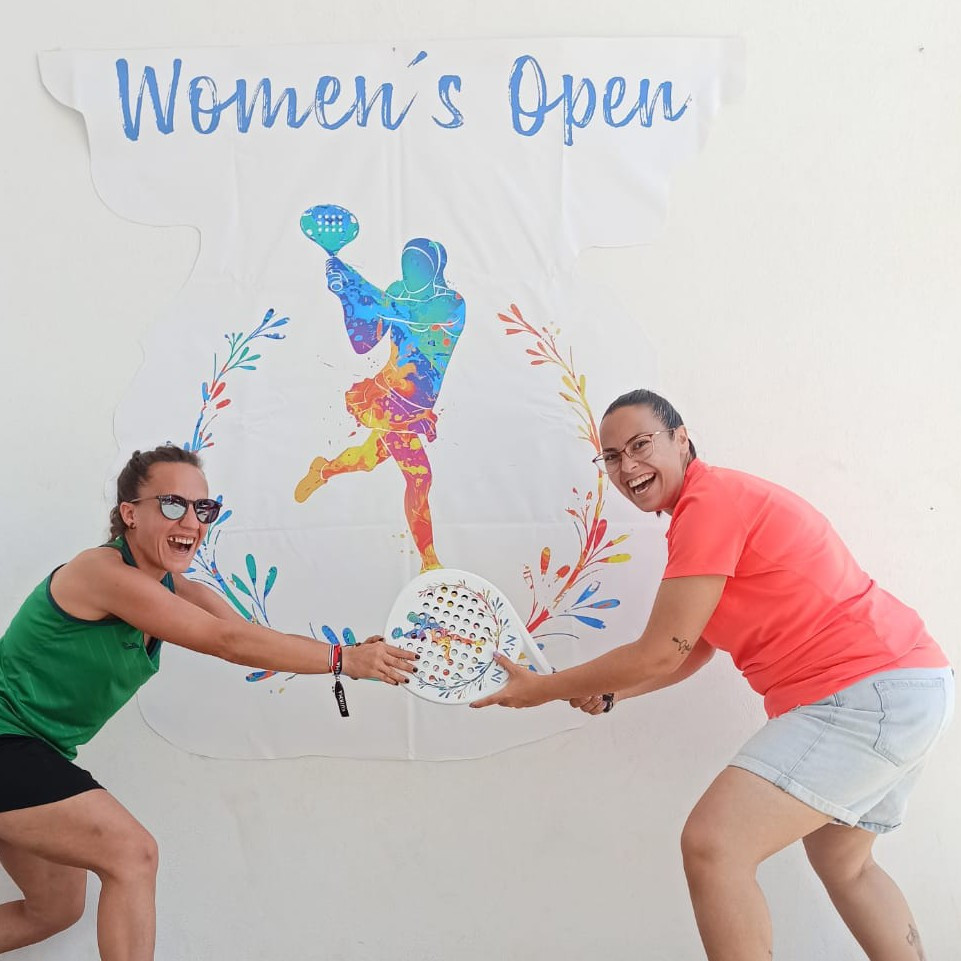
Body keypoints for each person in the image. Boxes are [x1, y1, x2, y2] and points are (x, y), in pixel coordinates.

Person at [473, 389, 952, 961]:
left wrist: (542, 689)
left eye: (641, 445)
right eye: (612, 456)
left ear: (681, 439)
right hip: (909, 684)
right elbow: (692, 649)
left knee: (714, 846)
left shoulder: (709, 503)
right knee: (845, 864)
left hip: (864, 691)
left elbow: (661, 650)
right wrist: (611, 690)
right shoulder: (708, 510)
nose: (627, 466)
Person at [0, 445, 415, 960]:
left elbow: (248, 638)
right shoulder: (101, 573)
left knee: (54, 909)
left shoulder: (175, 588)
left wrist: (353, 654)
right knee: (133, 854)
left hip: (34, 753)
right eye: (172, 504)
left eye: (203, 508)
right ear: (129, 513)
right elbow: (227, 643)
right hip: (7, 744)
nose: (191, 522)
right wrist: (342, 660)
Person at [294, 234, 466, 572]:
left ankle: (323, 469)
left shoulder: (450, 303)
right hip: (388, 400)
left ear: (436, 269)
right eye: (407, 264)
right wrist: (346, 296)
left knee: (369, 458)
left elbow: (409, 314)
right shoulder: (397, 291)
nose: (410, 271)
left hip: (417, 407)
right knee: (420, 477)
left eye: (419, 265)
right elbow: (363, 340)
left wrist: (354, 283)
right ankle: (429, 560)